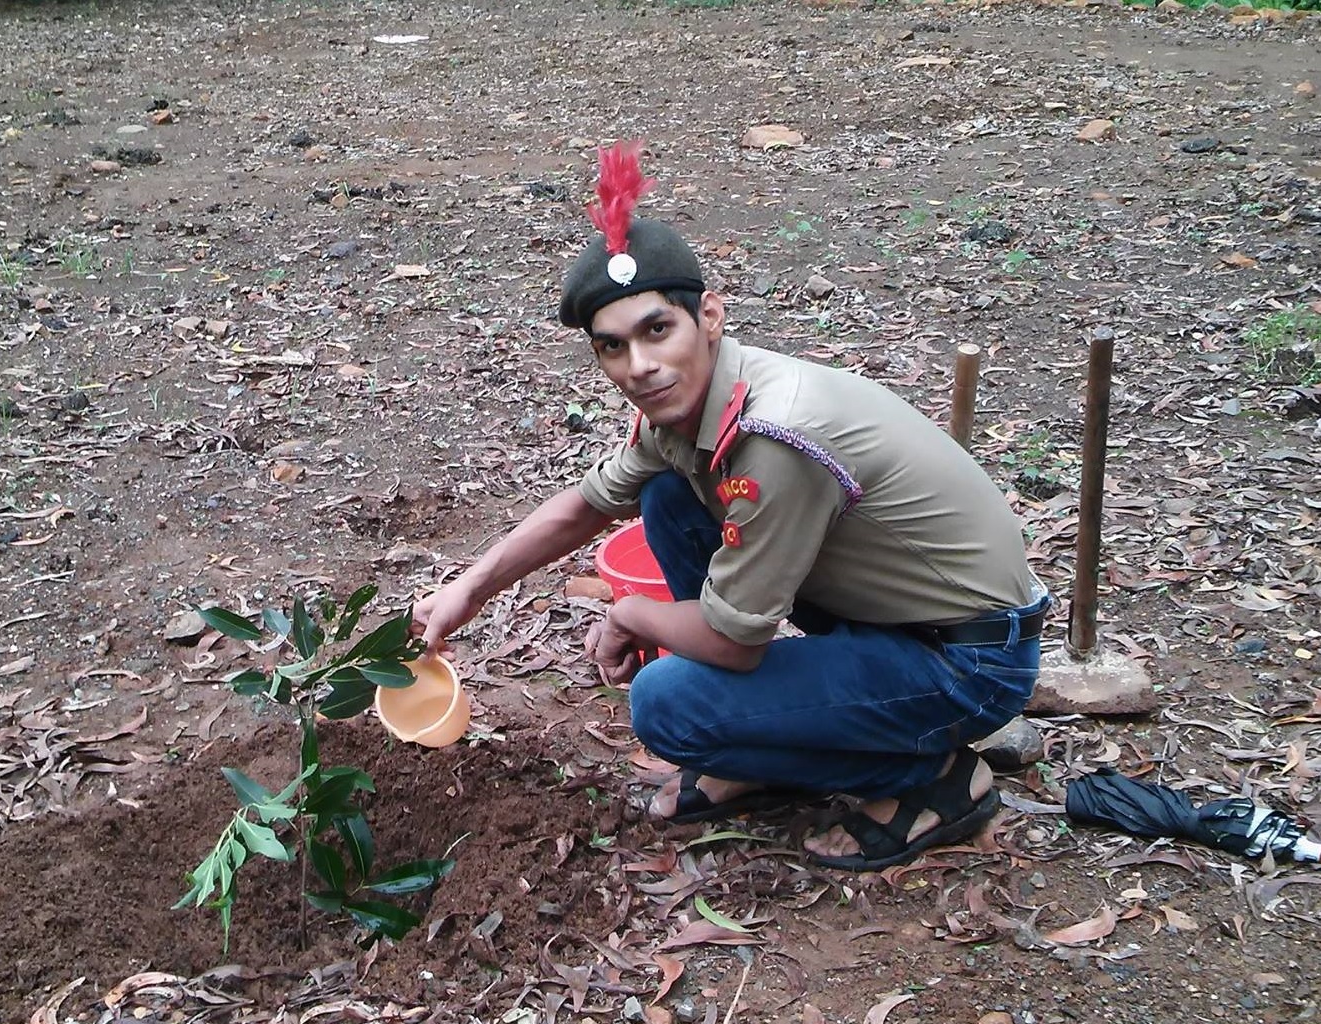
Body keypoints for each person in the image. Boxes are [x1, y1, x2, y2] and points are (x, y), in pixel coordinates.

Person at [411, 141, 1048, 872]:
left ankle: (929, 780)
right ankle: (767, 743)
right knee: (667, 497)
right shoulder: (693, 405)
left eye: (658, 330)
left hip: (967, 663)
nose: (640, 366)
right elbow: (586, 506)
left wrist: (629, 613)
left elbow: (734, 643)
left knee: (667, 707)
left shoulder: (775, 435)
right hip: (894, 615)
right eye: (612, 348)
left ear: (708, 315)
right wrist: (469, 590)